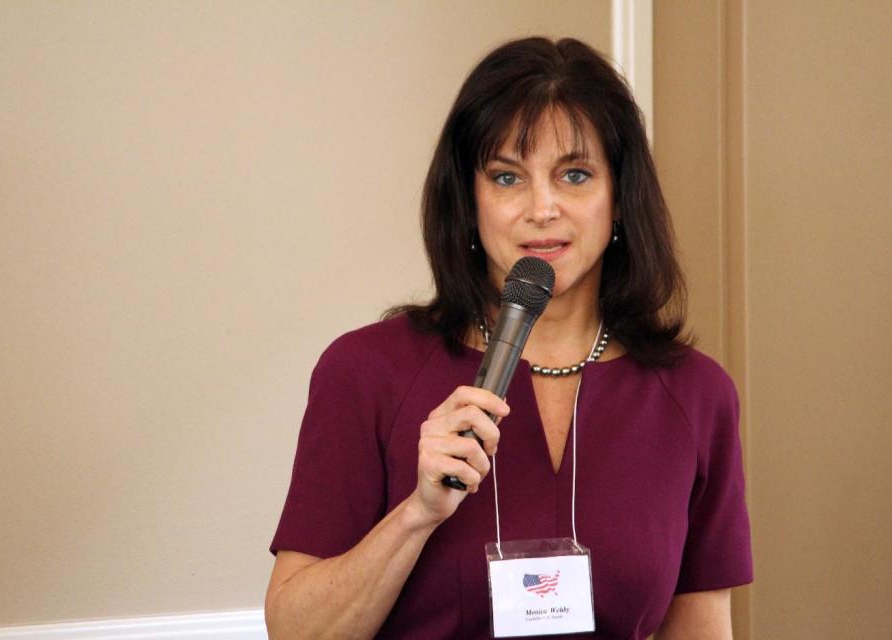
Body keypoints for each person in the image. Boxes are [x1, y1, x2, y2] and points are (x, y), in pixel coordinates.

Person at [265, 37, 752, 639]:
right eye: (507, 177)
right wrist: (417, 515)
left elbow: (701, 631)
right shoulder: (366, 372)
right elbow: (296, 633)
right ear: (469, 202)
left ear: (620, 197)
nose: (542, 208)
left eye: (575, 174)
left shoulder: (697, 395)